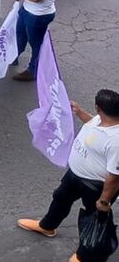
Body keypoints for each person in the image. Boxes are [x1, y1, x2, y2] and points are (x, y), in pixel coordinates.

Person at [16, 89, 119, 243]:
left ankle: (88, 255)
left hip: (95, 185)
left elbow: (114, 177)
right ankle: (47, 226)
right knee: (60, 198)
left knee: (95, 217)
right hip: (75, 175)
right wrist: (79, 112)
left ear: (98, 107)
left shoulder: (116, 140)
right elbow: (93, 123)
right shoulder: (103, 118)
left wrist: (104, 201)